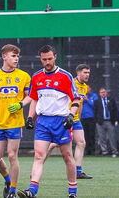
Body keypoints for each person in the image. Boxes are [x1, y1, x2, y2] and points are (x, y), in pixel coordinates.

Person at [18, 45, 80, 198]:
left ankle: (72, 192)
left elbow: (76, 99)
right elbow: (34, 98)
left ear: (55, 57)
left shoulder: (65, 76)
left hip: (61, 121)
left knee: (67, 156)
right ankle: (32, 191)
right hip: (43, 122)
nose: (47, 62)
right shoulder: (37, 77)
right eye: (44, 59)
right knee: (39, 155)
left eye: (50, 58)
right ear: (40, 59)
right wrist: (31, 117)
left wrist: (71, 116)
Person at [0, 44, 32, 198]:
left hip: (15, 123)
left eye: (17, 56)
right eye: (13, 56)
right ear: (4, 57)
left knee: (12, 155)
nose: (16, 59)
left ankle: (12, 191)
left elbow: (30, 96)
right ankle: (8, 180)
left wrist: (20, 104)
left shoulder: (24, 76)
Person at [71, 64, 93, 178]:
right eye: (85, 72)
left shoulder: (84, 87)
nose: (87, 75)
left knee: (81, 143)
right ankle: (39, 163)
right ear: (78, 73)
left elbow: (80, 104)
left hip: (75, 120)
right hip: (66, 118)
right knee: (54, 144)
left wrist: (78, 117)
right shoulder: (71, 83)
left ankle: (78, 172)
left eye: (88, 73)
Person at [93, 87, 118, 156]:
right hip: (100, 122)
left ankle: (114, 151)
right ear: (99, 94)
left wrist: (115, 120)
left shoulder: (111, 100)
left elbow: (115, 110)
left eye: (104, 92)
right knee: (102, 137)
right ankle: (104, 151)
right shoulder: (97, 101)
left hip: (110, 121)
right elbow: (95, 112)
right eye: (101, 92)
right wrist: (97, 121)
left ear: (106, 93)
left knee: (112, 137)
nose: (103, 93)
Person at [79, 85, 97, 156]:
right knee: (84, 135)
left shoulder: (94, 96)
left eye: (88, 88)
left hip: (91, 118)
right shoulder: (81, 95)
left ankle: (93, 150)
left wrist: (87, 100)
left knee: (91, 134)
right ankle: (86, 150)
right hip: (83, 118)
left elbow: (95, 105)